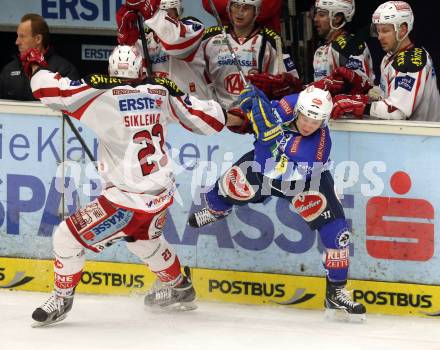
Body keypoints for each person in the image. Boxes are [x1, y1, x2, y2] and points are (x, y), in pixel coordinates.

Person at [20, 44, 227, 326]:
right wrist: (181, 94)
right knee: (145, 242)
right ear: (142, 70)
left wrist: (36, 64)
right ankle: (180, 287)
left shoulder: (100, 94)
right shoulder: (160, 91)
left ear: (110, 70)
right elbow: (212, 120)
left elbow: (47, 90)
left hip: (127, 201)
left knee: (65, 237)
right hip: (160, 193)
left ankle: (61, 297)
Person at [188, 86, 367, 321]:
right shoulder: (291, 103)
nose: (308, 125)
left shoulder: (319, 144)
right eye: (305, 117)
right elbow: (254, 121)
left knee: (338, 234)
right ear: (298, 110)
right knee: (227, 187)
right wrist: (249, 114)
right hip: (265, 164)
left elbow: (276, 171)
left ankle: (335, 292)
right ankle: (217, 210)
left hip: (302, 180)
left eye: (316, 121)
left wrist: (267, 139)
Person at [331, 1, 440, 121]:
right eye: (378, 31)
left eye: (385, 30)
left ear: (403, 30)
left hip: (421, 136)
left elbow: (395, 112)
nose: (379, 37)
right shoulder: (391, 57)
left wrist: (357, 106)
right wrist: (366, 93)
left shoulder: (412, 63)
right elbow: (390, 95)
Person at [200, 0, 302, 111]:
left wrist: (276, 87)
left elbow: (292, 83)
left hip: (256, 113)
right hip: (220, 113)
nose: (240, 12)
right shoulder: (209, 38)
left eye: (246, 8)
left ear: (256, 12)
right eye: (236, 6)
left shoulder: (270, 40)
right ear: (229, 8)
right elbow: (196, 76)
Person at [116, 0, 209, 99]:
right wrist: (128, 42)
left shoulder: (194, 27)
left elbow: (174, 42)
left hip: (195, 108)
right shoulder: (144, 39)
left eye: (168, 12)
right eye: (161, 11)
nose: (166, 16)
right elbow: (127, 76)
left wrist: (153, 13)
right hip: (161, 108)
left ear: (178, 11)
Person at [0, 13, 79, 101]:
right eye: (17, 36)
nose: (17, 42)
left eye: (22, 36)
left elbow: (72, 107)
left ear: (38, 39)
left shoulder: (64, 70)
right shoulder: (8, 69)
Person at [311, 0, 374, 96]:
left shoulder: (351, 45)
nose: (315, 19)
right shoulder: (321, 49)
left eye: (321, 15)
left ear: (337, 18)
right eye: (316, 14)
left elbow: (363, 86)